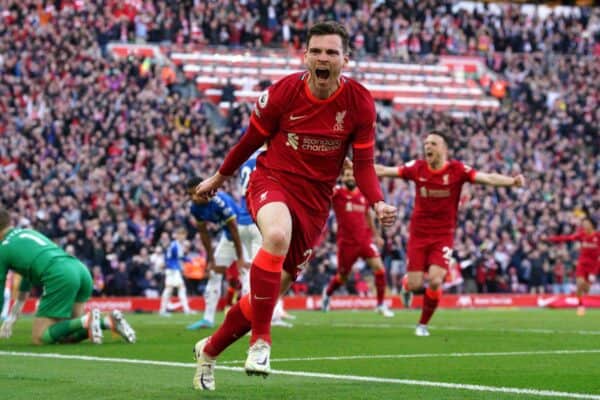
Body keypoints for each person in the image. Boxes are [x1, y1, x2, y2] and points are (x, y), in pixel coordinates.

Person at [191, 21, 397, 391]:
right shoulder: (284, 92)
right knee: (276, 234)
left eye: (331, 52)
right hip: (273, 179)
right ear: (305, 56)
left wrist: (378, 201)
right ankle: (262, 342)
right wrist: (220, 178)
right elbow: (249, 140)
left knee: (262, 299)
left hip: (316, 201)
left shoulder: (360, 103)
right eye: (316, 51)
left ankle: (209, 351)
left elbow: (364, 164)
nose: (323, 58)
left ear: (345, 60)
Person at [375, 131, 525, 337]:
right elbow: (384, 170)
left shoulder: (457, 170)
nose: (428, 146)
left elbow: (487, 178)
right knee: (416, 283)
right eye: (426, 143)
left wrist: (512, 182)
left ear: (444, 149)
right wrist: (357, 169)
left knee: (436, 280)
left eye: (433, 143)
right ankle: (406, 284)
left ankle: (422, 325)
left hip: (443, 235)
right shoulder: (416, 168)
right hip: (418, 235)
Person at [0, 208, 136, 345]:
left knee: (39, 338)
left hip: (59, 275)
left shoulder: (3, 249)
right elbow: (27, 271)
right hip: (79, 269)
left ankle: (87, 319)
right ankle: (107, 322)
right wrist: (13, 316)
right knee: (68, 335)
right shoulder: (27, 232)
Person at [322, 166, 394, 317]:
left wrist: (376, 236)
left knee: (380, 269)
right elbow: (325, 191)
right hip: (346, 243)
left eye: (352, 175)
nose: (349, 177)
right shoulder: (338, 193)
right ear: (343, 178)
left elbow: (368, 216)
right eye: (347, 175)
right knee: (342, 277)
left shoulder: (363, 196)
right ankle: (327, 295)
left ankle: (380, 305)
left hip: (364, 241)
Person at [185, 178, 250, 330]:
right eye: (190, 195)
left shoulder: (219, 201)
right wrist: (210, 258)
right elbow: (204, 234)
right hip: (228, 238)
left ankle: (249, 320)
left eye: (195, 193)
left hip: (243, 235)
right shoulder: (195, 208)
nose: (193, 198)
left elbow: (235, 228)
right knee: (214, 273)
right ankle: (208, 319)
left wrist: (240, 257)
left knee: (246, 276)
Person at [542, 217, 599, 316]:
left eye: (586, 223)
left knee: (586, 289)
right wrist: (549, 238)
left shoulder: (598, 236)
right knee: (580, 283)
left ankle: (582, 297)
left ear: (592, 224)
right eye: (583, 223)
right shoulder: (582, 235)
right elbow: (566, 238)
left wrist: (594, 272)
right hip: (582, 264)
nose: (584, 225)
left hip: (593, 266)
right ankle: (580, 306)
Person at [158, 227, 194, 316]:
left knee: (173, 289)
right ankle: (163, 310)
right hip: (172, 270)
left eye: (184, 235)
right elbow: (169, 257)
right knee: (175, 289)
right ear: (178, 235)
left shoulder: (177, 245)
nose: (184, 237)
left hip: (174, 269)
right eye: (182, 235)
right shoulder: (174, 245)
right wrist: (187, 260)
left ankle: (185, 309)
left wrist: (188, 260)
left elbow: (178, 257)